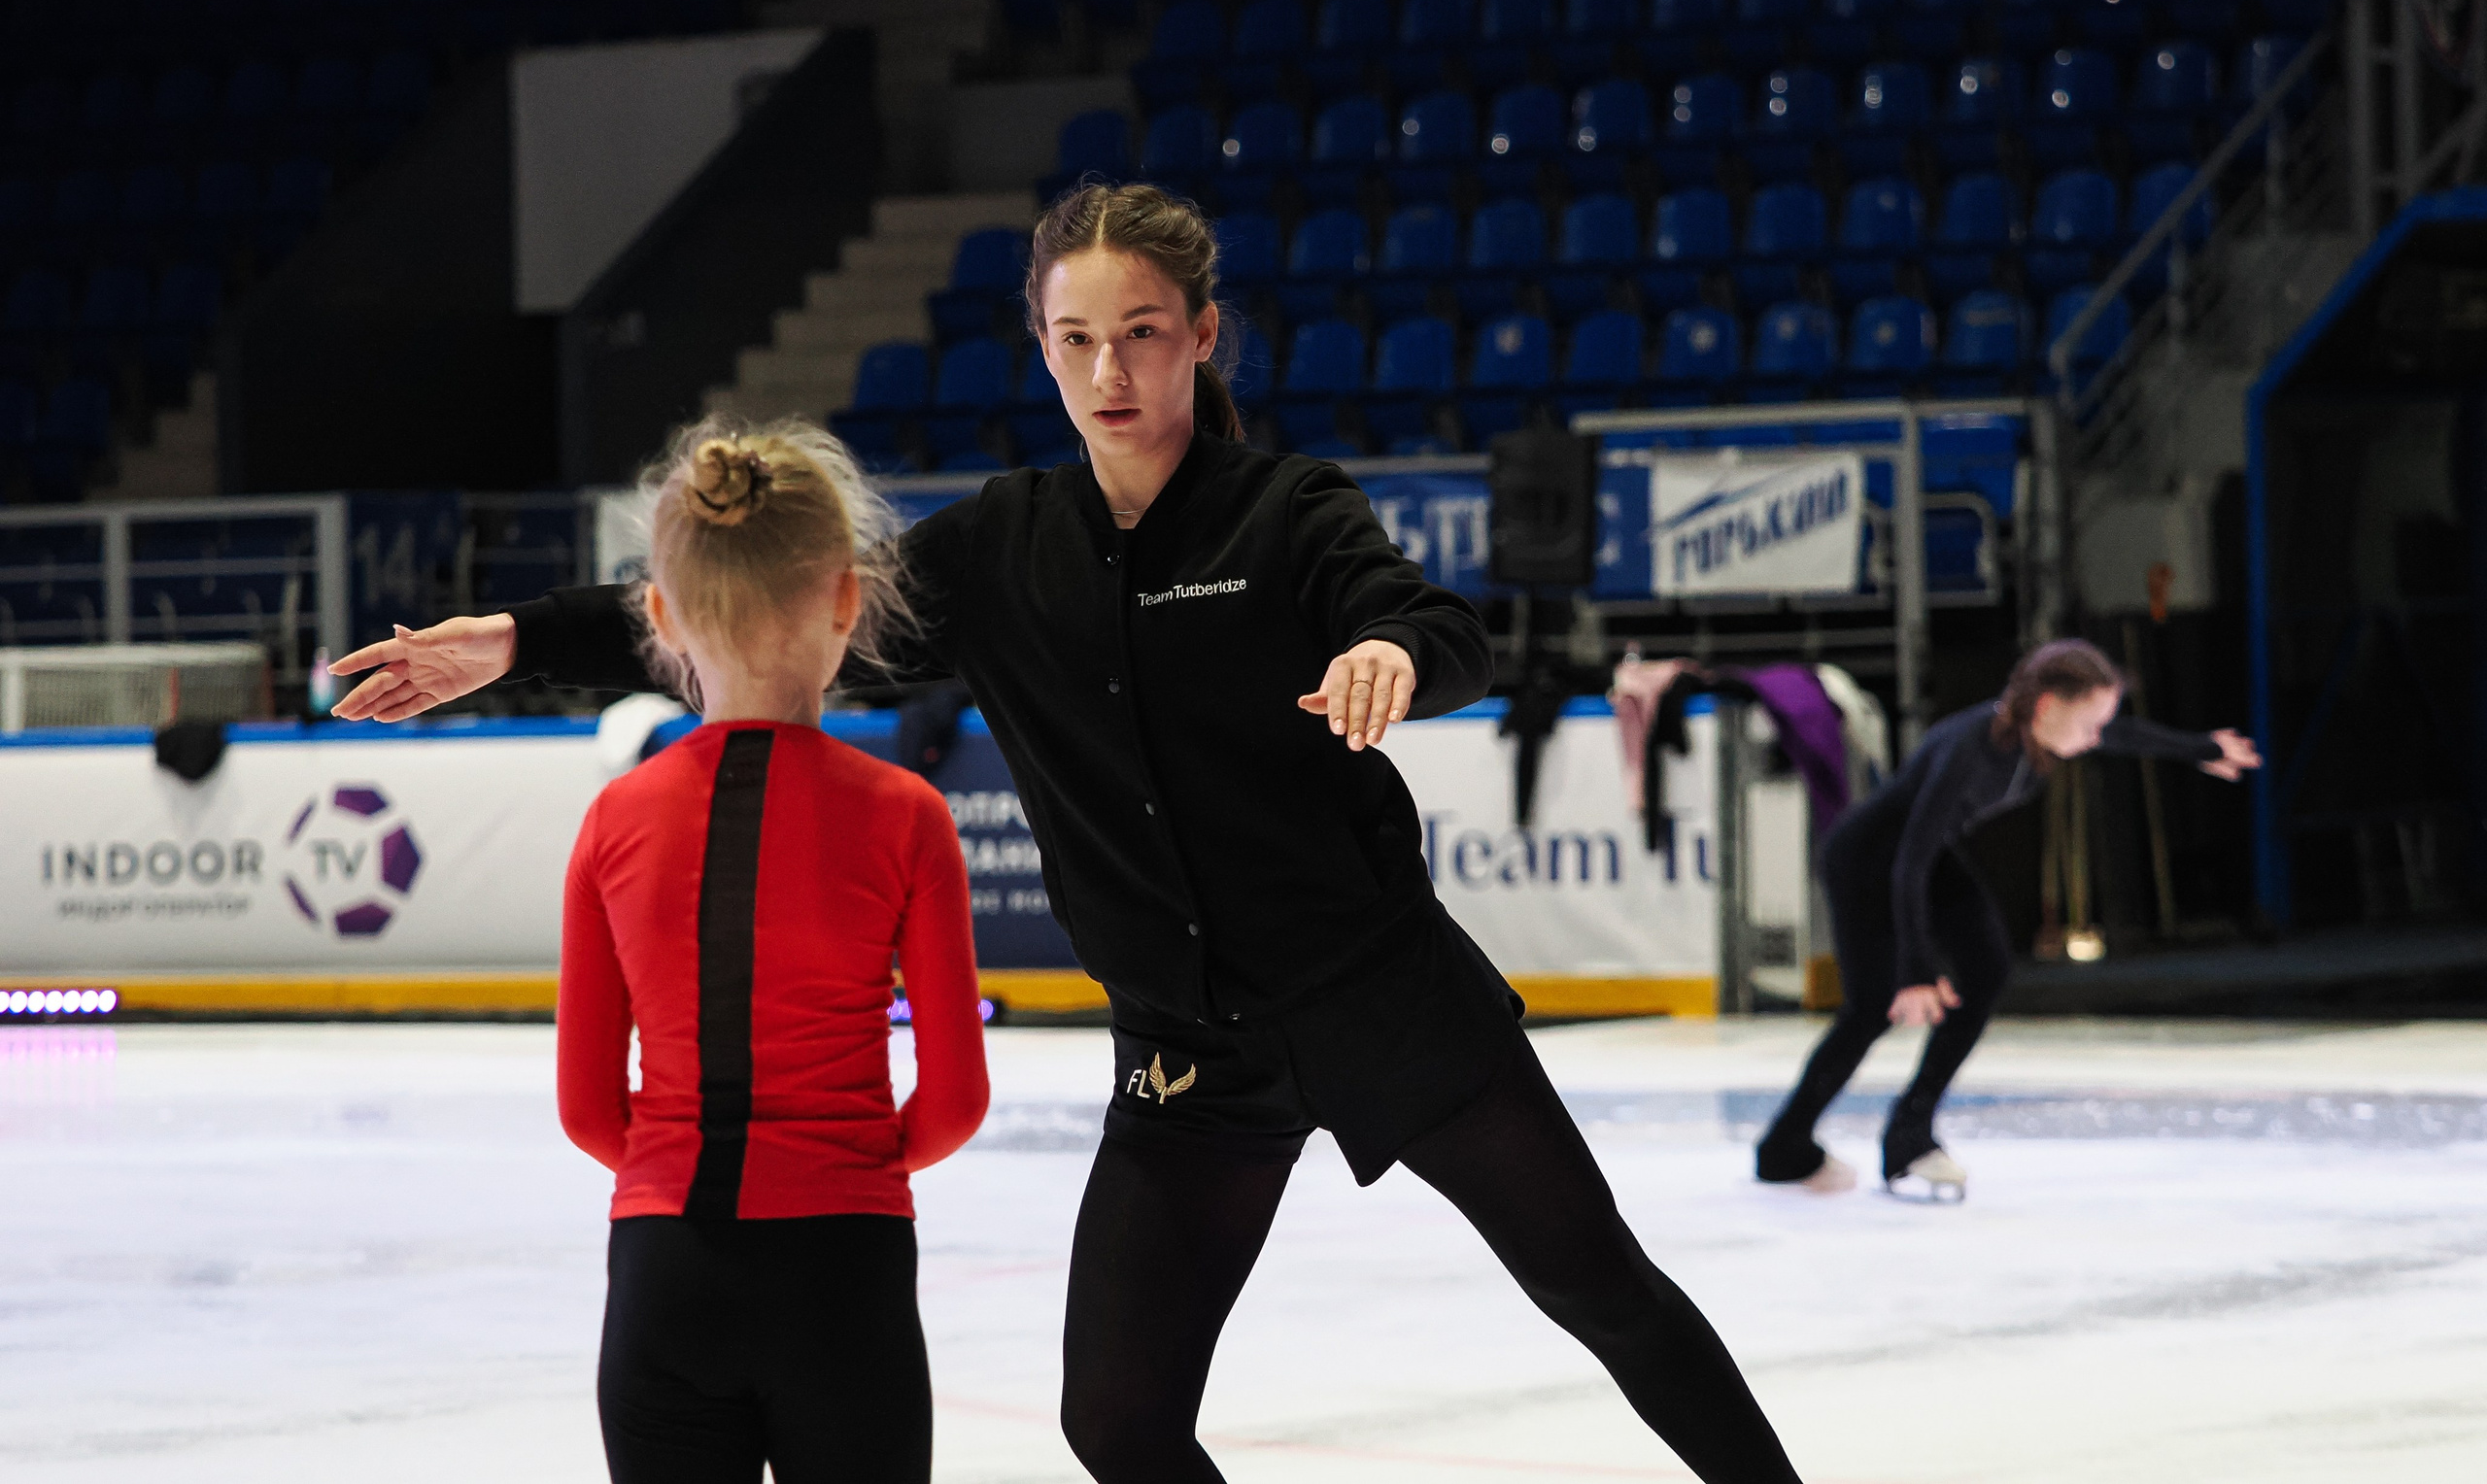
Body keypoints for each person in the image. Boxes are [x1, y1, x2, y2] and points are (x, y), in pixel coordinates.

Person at [333, 183, 1804, 1484]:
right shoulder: (997, 549)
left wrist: (1399, 659)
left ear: (1203, 335)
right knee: (1114, 1417)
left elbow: (1430, 617)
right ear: (1040, 346)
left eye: (1146, 332)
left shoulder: (1287, 511)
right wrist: (519, 634)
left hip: (1382, 997)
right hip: (1186, 1050)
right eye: (1079, 337)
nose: (1113, 368)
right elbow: (758, 593)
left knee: (1603, 1287)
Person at [555, 421, 989, 1482]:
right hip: (845, 1269)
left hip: (664, 1267)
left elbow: (587, 1109)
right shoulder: (906, 813)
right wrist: (846, 1159)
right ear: (847, 598)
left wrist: (673, 1166)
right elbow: (953, 1101)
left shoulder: (614, 819)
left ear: (658, 614)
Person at [1754, 638, 2262, 1202]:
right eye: (2089, 722)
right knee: (1872, 1010)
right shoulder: (1971, 751)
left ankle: (1909, 1133)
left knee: (1987, 969)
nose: (2096, 736)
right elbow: (1909, 861)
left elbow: (2121, 736)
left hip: (1923, 859)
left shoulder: (2031, 733)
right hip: (1868, 863)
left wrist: (2199, 748)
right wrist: (1916, 969)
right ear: (2046, 706)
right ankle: (1783, 1148)